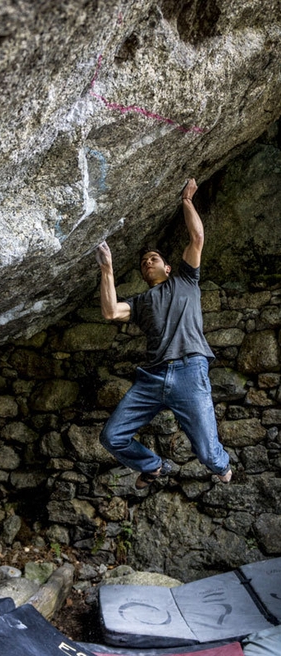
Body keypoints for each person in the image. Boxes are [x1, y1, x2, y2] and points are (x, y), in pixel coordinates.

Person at [95, 178, 232, 488]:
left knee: (210, 455)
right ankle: (153, 466)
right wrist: (107, 268)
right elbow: (110, 311)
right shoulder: (141, 302)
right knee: (111, 436)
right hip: (152, 378)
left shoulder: (185, 280)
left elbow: (197, 237)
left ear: (168, 267)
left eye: (153, 259)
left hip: (189, 371)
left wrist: (186, 200)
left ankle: (225, 469)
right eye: (144, 263)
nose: (147, 263)